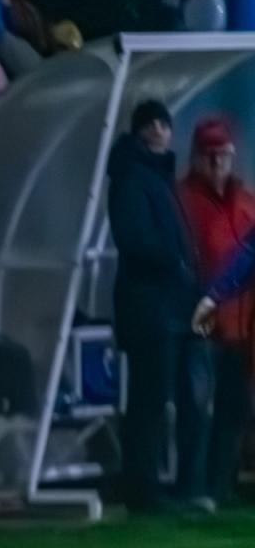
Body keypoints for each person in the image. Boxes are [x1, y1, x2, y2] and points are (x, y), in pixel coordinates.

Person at [108, 100, 201, 513]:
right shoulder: (134, 178)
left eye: (165, 123)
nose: (162, 131)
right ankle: (142, 490)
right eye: (153, 124)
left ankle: (167, 487)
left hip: (169, 307)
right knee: (149, 399)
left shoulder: (156, 177)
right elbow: (134, 239)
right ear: (140, 131)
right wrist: (175, 262)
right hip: (151, 309)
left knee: (162, 397)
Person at [180, 118, 255, 505]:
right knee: (198, 407)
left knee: (233, 408)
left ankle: (220, 486)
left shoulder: (246, 202)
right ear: (196, 157)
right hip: (204, 322)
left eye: (223, 155)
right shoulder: (183, 201)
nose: (217, 163)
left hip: (241, 323)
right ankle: (193, 487)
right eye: (209, 156)